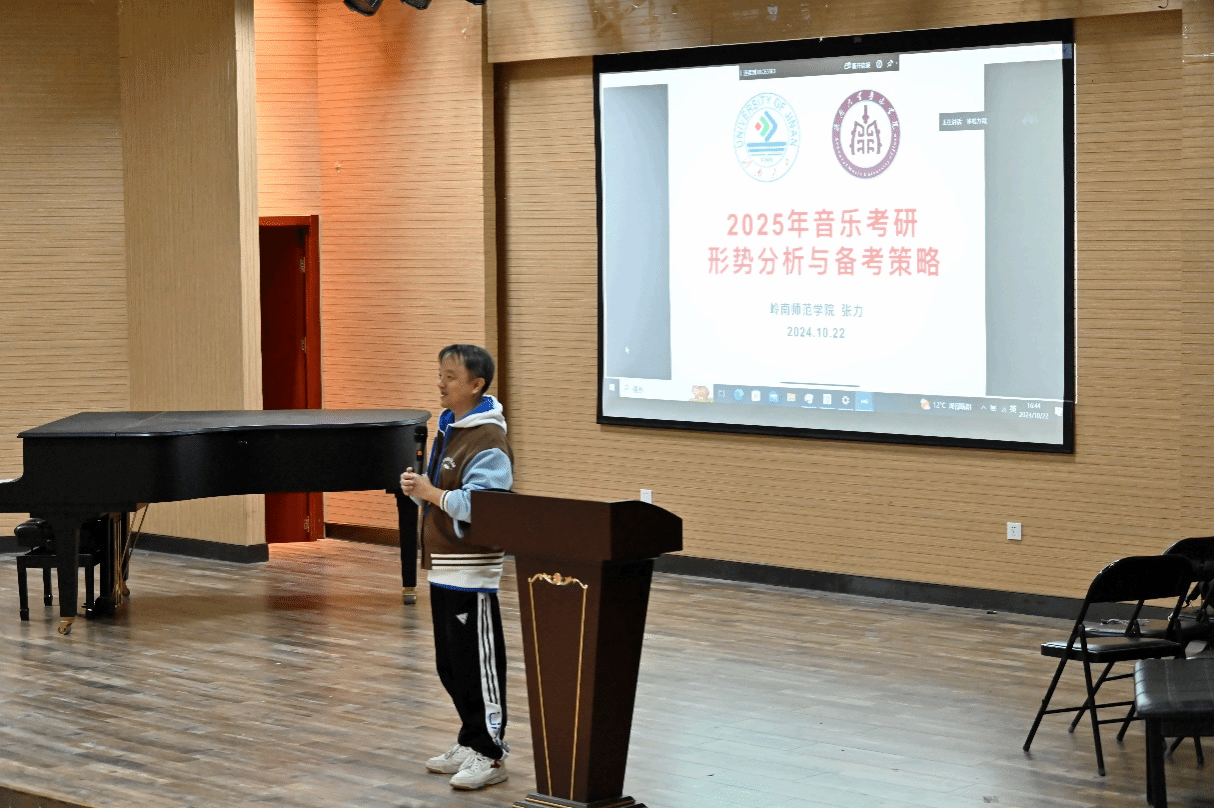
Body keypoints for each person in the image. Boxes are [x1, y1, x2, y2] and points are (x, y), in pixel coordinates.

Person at [399, 344, 514, 791]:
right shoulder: (450, 427)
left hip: (472, 571)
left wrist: (430, 493)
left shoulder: (487, 439)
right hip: (444, 567)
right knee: (451, 666)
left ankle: (491, 754)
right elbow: (445, 496)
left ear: (476, 384)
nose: (440, 383)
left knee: (478, 667)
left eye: (450, 376)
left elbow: (485, 507)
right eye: (439, 374)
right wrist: (419, 491)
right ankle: (470, 740)